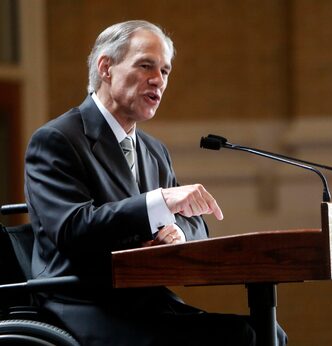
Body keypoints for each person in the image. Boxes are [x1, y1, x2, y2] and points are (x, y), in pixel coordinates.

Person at [24, 20, 287, 346]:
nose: (158, 80)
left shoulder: (154, 150)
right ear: (106, 68)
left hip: (144, 298)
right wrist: (159, 202)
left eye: (165, 71)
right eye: (146, 65)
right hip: (83, 302)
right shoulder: (57, 139)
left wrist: (176, 233)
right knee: (239, 338)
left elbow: (196, 225)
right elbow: (72, 228)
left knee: (269, 332)